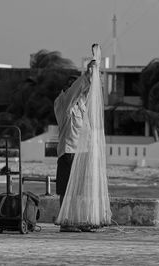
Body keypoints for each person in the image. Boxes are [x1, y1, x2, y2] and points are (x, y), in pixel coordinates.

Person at [54, 59, 96, 232]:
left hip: (81, 151)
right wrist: (86, 74)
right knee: (66, 189)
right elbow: (78, 89)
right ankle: (65, 221)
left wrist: (92, 74)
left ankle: (79, 220)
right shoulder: (64, 102)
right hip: (68, 151)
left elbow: (84, 91)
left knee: (80, 191)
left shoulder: (80, 105)